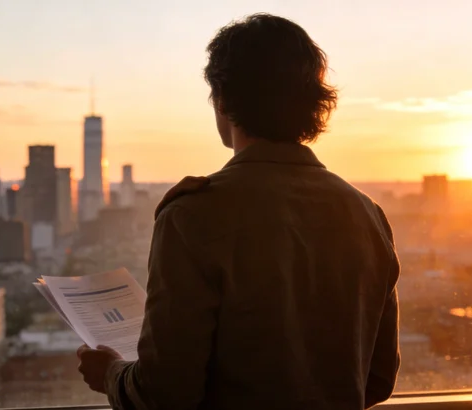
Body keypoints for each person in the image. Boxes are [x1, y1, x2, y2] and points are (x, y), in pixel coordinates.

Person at [77, 13, 400, 410]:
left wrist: (110, 372)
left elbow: (164, 394)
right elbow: (379, 380)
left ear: (224, 99)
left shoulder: (193, 215)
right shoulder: (367, 216)